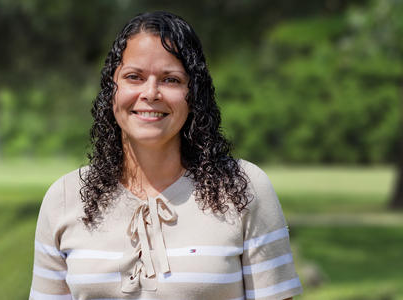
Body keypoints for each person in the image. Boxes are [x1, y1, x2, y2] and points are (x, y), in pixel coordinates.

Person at [29, 11, 303, 300]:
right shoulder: (63, 198)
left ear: (194, 94)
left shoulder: (243, 187)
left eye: (170, 80)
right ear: (112, 89)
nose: (151, 93)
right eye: (134, 77)